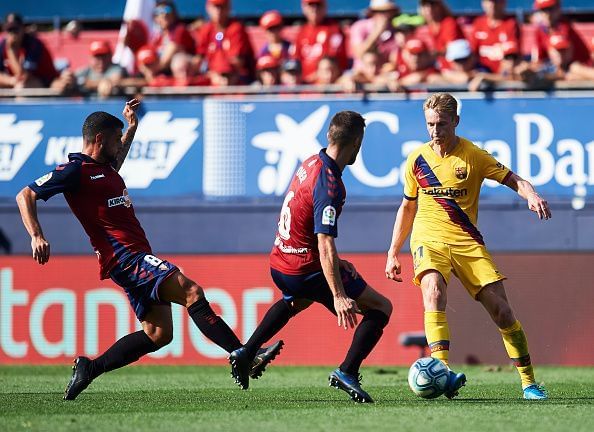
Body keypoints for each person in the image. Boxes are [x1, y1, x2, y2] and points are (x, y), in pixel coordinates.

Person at [15, 100, 282, 401]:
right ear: (100, 139)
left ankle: (89, 368)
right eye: (115, 141)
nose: (119, 147)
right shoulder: (75, 171)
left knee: (159, 334)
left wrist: (131, 129)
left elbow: (115, 161)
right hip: (126, 257)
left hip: (129, 258)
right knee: (191, 291)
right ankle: (243, 353)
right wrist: (36, 235)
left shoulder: (103, 169)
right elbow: (25, 194)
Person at [385, 93, 550, 400]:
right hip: (428, 238)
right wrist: (393, 250)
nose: (436, 131)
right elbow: (407, 207)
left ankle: (529, 383)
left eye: (442, 124)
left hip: (467, 242)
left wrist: (531, 195)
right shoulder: (416, 159)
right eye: (430, 124)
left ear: (456, 121)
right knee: (433, 292)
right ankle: (443, 372)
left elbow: (514, 179)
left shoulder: (473, 155)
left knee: (502, 312)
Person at [227, 111, 393, 403]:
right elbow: (325, 242)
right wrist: (338, 294)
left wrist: (338, 263)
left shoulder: (310, 162)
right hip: (305, 268)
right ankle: (347, 371)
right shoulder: (330, 185)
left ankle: (247, 351)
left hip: (280, 260)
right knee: (381, 308)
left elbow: (306, 226)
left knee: (296, 300)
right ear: (356, 142)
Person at [0, 13, 73, 92]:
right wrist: (11, 81)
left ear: (23, 29)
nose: (12, 34)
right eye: (9, 30)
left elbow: (22, 76)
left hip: (47, 81)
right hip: (16, 81)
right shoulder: (2, 45)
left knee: (22, 88)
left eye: (15, 29)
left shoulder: (33, 44)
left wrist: (11, 51)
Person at [194, 0, 255, 83]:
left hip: (237, 78)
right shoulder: (206, 29)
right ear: (208, 8)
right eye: (215, 7)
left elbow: (238, 63)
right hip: (211, 75)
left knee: (225, 79)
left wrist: (218, 73)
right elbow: (199, 58)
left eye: (222, 7)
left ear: (228, 8)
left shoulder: (236, 28)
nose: (218, 11)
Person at [293, 0, 348, 83]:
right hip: (305, 88)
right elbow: (296, 61)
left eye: (318, 5)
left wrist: (307, 80)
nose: (314, 9)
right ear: (304, 7)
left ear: (325, 7)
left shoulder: (334, 30)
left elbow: (332, 66)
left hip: (327, 86)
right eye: (311, 5)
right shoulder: (301, 33)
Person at [470, 0, 522, 74]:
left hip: (502, 75)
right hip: (482, 71)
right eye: (489, 1)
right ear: (483, 3)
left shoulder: (511, 23)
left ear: (503, 3)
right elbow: (472, 53)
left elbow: (510, 59)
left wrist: (495, 78)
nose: (492, 5)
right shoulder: (478, 23)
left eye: (496, 1)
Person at [349, 0, 400, 71]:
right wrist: (376, 32)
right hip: (361, 73)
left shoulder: (396, 31)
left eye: (388, 11)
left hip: (384, 75)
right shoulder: (359, 27)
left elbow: (394, 59)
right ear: (373, 13)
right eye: (380, 12)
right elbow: (358, 54)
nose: (385, 15)